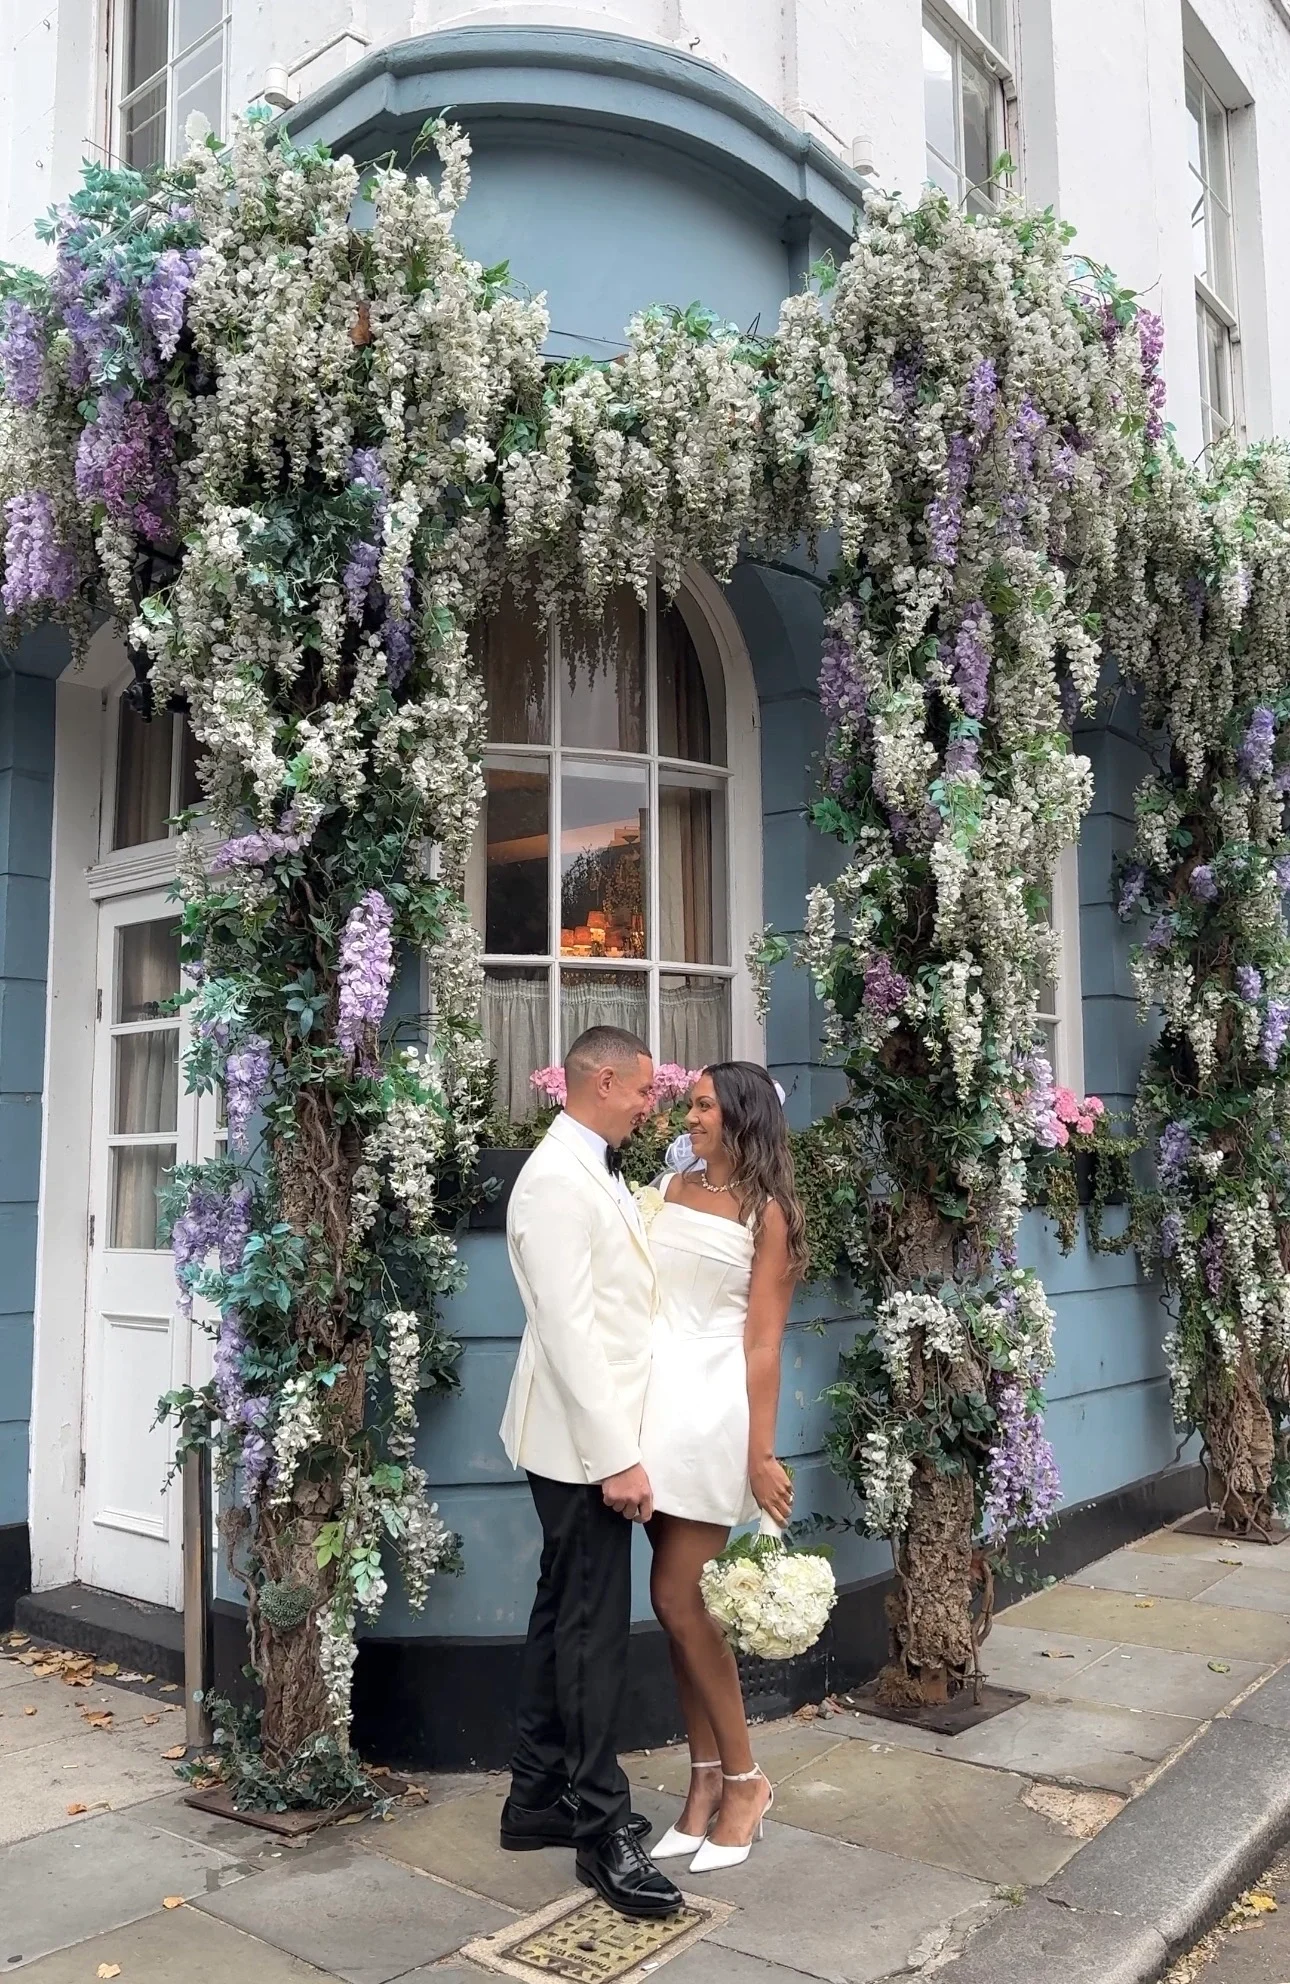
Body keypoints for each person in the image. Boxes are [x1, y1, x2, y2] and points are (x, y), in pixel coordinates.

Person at [498, 1025, 684, 1921]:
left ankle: (536, 1797)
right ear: (601, 1081)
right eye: (642, 1091)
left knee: (561, 1614)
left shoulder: (592, 1167)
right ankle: (600, 1831)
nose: (651, 1104)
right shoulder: (553, 1182)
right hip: (580, 1449)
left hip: (584, 1441)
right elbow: (570, 1333)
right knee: (592, 1632)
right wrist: (617, 1458)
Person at [638, 1062, 808, 1872]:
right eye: (690, 1104)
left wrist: (761, 1452)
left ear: (738, 1116)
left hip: (711, 1411)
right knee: (680, 1609)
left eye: (702, 1104)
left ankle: (746, 1780)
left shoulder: (766, 1213)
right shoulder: (669, 1190)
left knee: (678, 1596)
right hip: (649, 1407)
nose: (689, 1114)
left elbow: (763, 1341)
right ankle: (704, 1782)